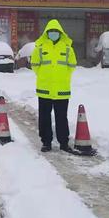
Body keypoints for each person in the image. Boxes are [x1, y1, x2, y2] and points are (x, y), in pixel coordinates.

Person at [31, 19, 77, 153]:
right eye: (50, 31)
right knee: (44, 117)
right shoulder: (40, 47)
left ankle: (64, 143)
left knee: (61, 117)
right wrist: (43, 76)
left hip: (62, 90)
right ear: (46, 33)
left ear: (60, 33)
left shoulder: (67, 48)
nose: (53, 33)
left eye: (55, 31)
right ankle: (46, 142)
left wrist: (63, 77)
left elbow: (72, 65)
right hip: (44, 89)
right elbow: (35, 65)